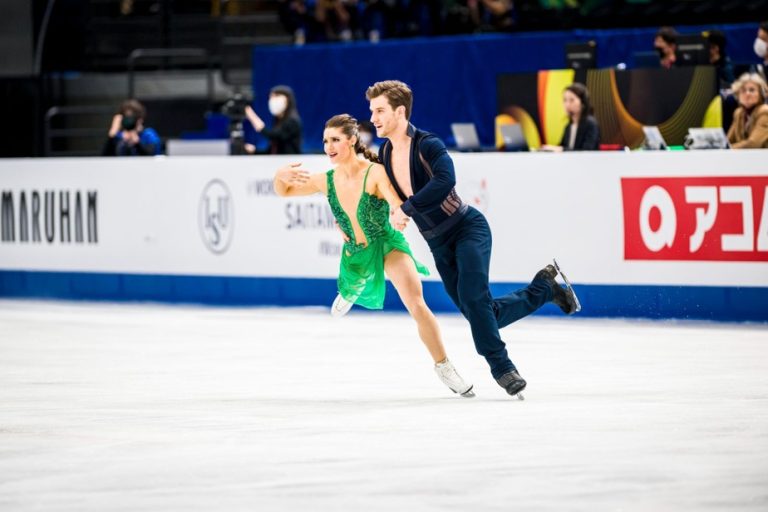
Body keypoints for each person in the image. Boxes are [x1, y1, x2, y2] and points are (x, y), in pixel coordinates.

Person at [366, 80, 579, 399]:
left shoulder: (428, 144)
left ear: (400, 111)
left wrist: (408, 207)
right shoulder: (385, 152)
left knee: (474, 300)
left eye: (379, 110)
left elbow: (445, 180)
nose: (373, 117)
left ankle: (503, 369)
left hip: (467, 228)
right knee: (481, 314)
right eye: (371, 111)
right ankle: (545, 288)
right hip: (437, 244)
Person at [273, 114, 475, 397]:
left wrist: (398, 214)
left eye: (335, 140)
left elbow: (395, 200)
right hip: (356, 253)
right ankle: (351, 288)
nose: (328, 146)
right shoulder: (326, 179)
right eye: (325, 141)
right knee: (350, 284)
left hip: (386, 244)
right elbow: (285, 192)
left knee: (416, 303)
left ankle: (444, 366)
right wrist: (278, 178)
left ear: (352, 140)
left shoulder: (374, 172)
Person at [540, 82, 600, 152]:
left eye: (572, 100)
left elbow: (587, 151)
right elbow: (562, 146)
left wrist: (561, 149)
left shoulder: (591, 124)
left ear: (583, 103)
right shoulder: (568, 126)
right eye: (565, 100)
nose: (567, 104)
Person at [244, 85, 303, 154]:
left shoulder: (293, 121)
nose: (273, 100)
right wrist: (254, 151)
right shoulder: (277, 121)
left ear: (287, 99)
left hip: (291, 162)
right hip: (279, 162)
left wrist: (253, 118)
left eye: (276, 96)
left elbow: (275, 136)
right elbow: (272, 151)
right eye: (271, 97)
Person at [726, 73, 768, 149]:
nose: (747, 93)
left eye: (752, 90)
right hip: (745, 158)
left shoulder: (765, 112)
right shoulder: (738, 113)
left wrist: (727, 149)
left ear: (761, 94)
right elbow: (728, 141)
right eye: (743, 90)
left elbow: (753, 144)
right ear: (738, 95)